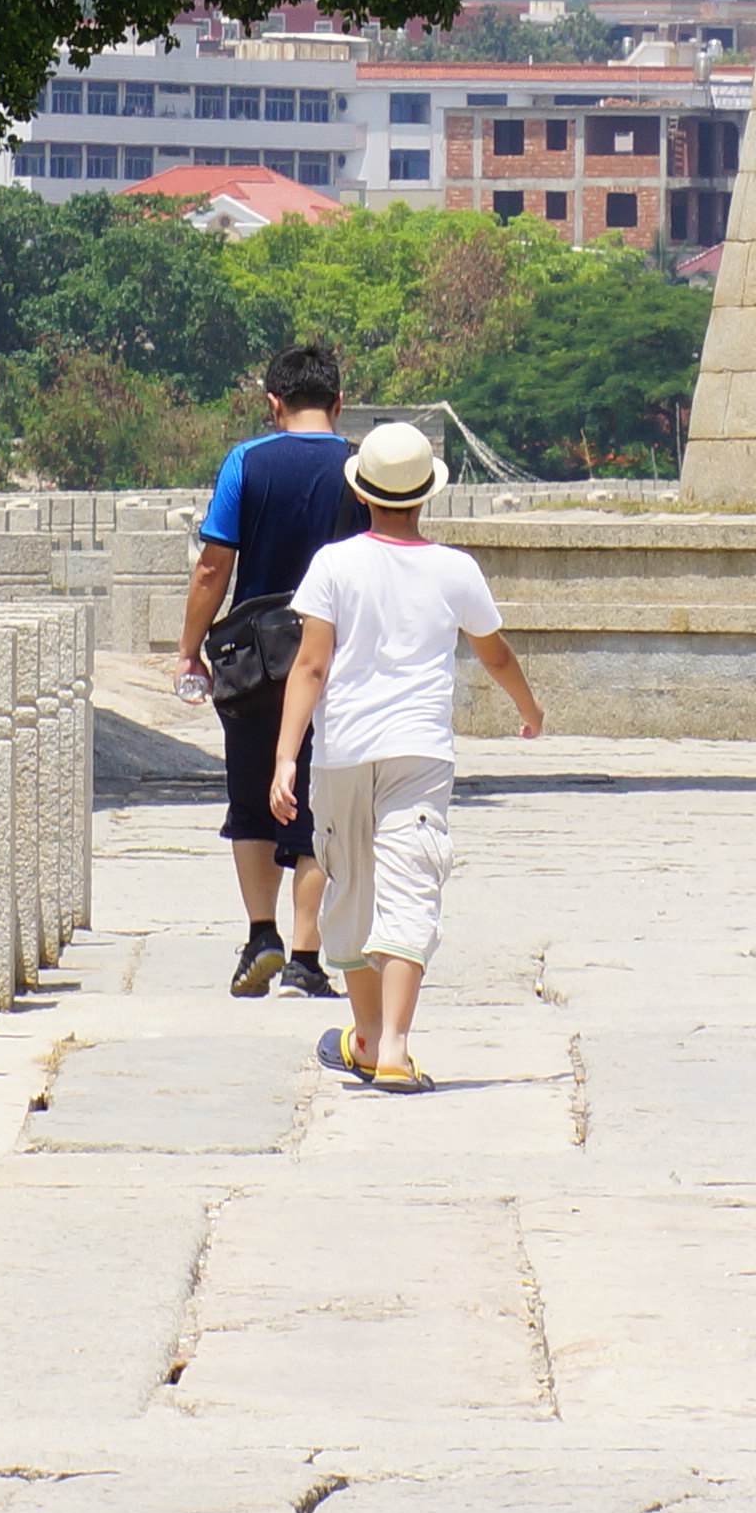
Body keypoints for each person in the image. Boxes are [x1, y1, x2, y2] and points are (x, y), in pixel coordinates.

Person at [271, 416, 544, 1093]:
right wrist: (529, 709)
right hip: (418, 751)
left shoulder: (333, 564)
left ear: (362, 493)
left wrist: (284, 758)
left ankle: (363, 1036)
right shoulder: (455, 569)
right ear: (427, 496)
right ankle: (390, 1044)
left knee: (352, 890)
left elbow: (309, 666)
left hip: (341, 752)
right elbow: (496, 653)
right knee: (411, 885)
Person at [182, 341, 363, 999]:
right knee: (316, 806)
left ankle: (261, 934)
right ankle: (307, 955)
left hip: (254, 661)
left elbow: (213, 566)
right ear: (339, 404)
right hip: (335, 658)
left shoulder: (246, 462)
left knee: (253, 795)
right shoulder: (357, 468)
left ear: (273, 403)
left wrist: (188, 648)